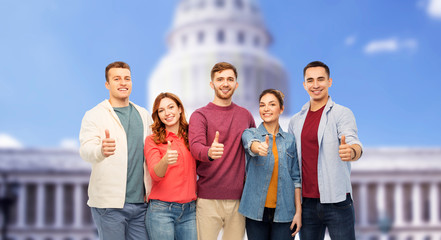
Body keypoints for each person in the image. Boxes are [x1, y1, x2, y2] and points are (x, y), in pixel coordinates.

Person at [288, 61, 363, 240]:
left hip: (337, 201)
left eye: (320, 79)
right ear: (304, 84)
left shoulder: (342, 113)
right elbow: (292, 165)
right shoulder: (295, 121)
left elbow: (354, 143)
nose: (315, 85)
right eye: (310, 80)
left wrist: (352, 152)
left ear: (329, 82)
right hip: (306, 204)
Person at [79, 61, 153, 240]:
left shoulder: (143, 114)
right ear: (107, 84)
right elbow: (85, 149)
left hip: (141, 204)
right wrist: (100, 150)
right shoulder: (94, 115)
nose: (123, 83)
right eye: (117, 79)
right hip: (109, 206)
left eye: (127, 78)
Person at [188, 62, 256, 240]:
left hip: (238, 200)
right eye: (220, 79)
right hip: (207, 199)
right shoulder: (199, 115)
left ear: (236, 84)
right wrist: (209, 152)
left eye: (230, 79)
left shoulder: (245, 116)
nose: (225, 83)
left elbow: (252, 149)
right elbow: (195, 146)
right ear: (212, 84)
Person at [240, 89, 302, 240]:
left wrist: (298, 212)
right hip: (255, 212)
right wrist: (257, 147)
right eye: (262, 105)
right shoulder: (250, 133)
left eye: (272, 104)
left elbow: (296, 178)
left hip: (285, 212)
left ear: (281, 109)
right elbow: (250, 144)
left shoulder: (290, 140)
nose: (266, 108)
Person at [144, 92, 197, 240]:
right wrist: (165, 160)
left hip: (190, 211)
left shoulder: (192, 136)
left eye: (171, 107)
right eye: (161, 110)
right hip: (161, 211)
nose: (167, 113)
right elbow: (155, 174)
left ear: (180, 109)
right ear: (158, 115)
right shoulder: (152, 140)